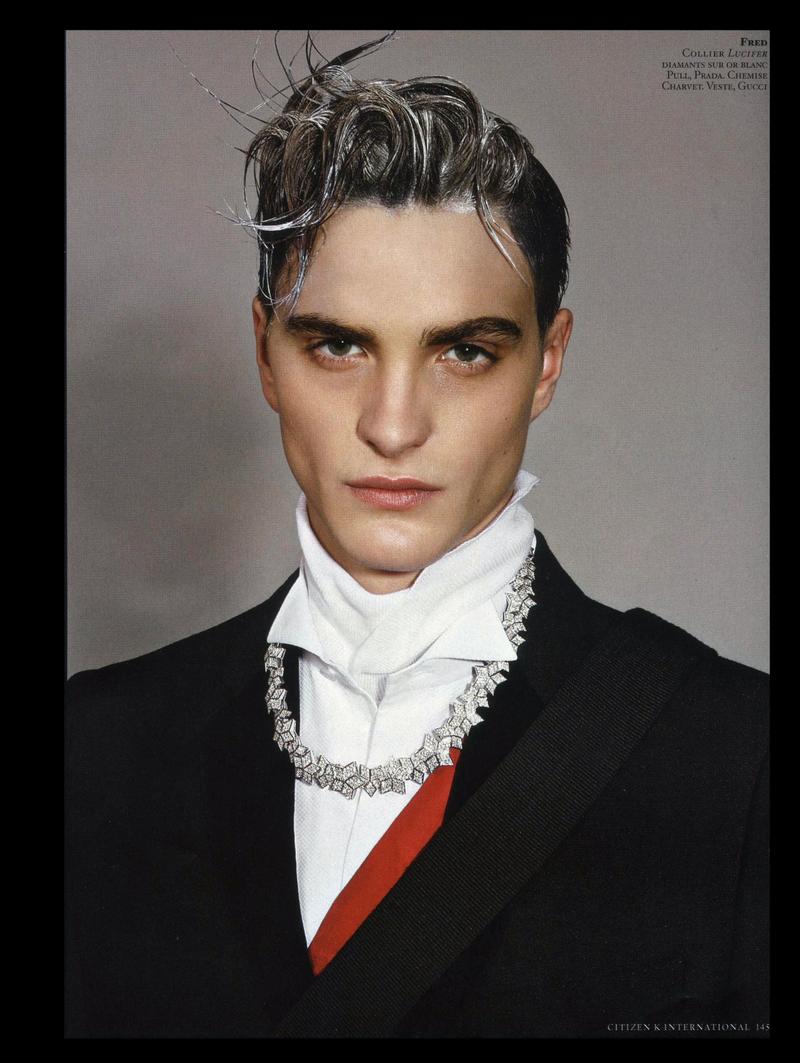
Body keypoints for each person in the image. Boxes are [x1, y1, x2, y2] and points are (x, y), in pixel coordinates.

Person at [65, 42, 769, 1039]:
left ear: (546, 364)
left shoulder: (733, 756)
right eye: (336, 344)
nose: (392, 426)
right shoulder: (97, 750)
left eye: (464, 351)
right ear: (264, 351)